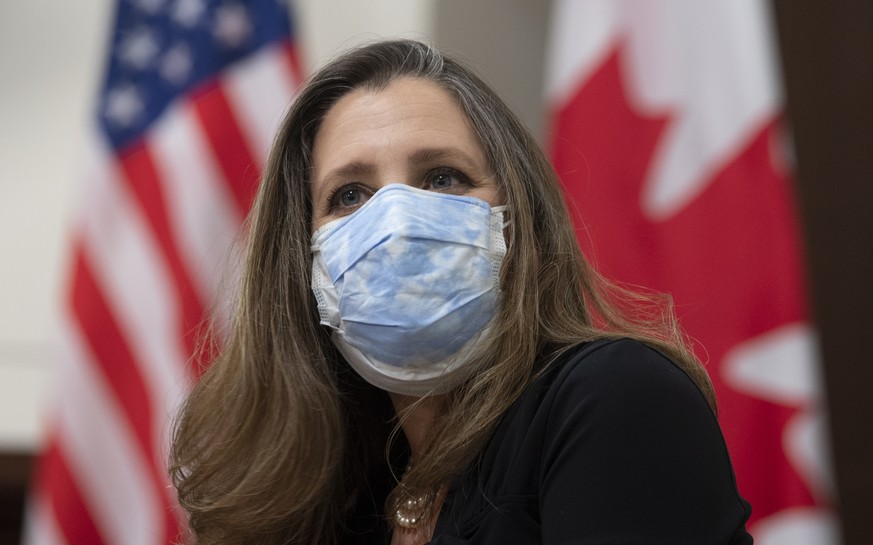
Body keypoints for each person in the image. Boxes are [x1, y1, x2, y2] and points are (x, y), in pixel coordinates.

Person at [170, 39, 753, 545]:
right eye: (349, 195)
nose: (395, 222)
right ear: (305, 262)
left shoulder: (614, 397)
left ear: (516, 221)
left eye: (442, 177)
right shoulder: (333, 499)